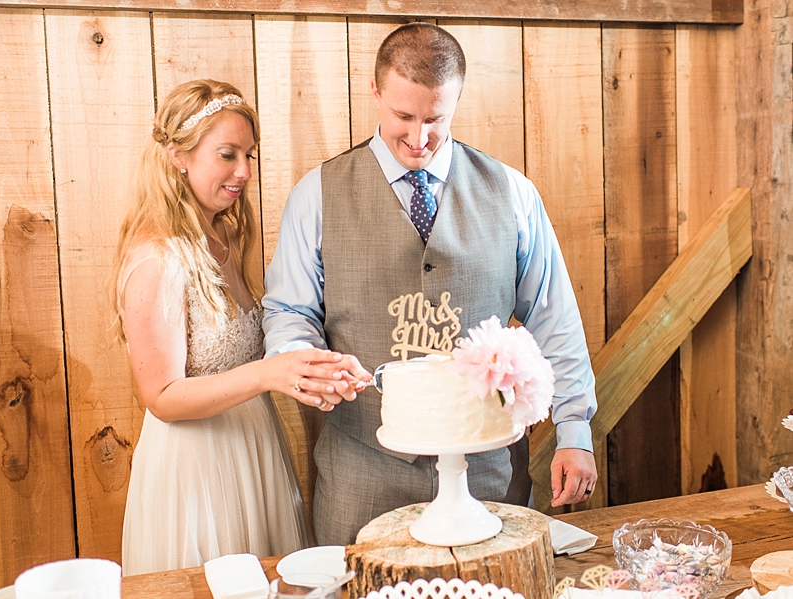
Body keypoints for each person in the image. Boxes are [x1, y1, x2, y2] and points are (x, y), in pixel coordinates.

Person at [263, 23, 598, 546]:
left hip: (490, 478)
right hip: (362, 474)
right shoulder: (316, 195)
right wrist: (304, 360)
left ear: (456, 101)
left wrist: (575, 430)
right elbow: (289, 310)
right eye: (403, 116)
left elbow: (554, 317)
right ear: (375, 92)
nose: (418, 138)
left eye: (435, 119)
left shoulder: (512, 192)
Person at [113, 80, 362, 575]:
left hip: (254, 447)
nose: (244, 172)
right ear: (177, 156)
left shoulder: (224, 234)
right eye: (227, 154)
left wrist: (317, 365)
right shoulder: (157, 258)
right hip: (198, 468)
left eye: (249, 155)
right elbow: (161, 395)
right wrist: (268, 375)